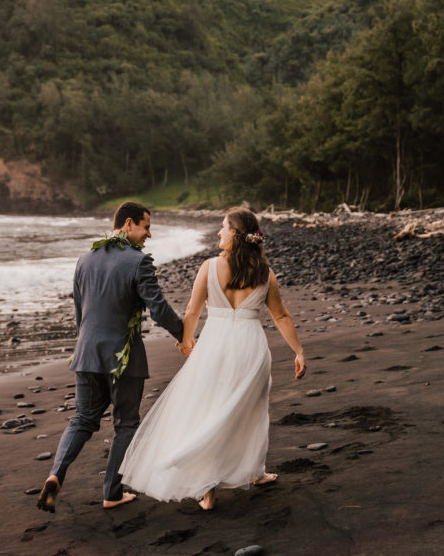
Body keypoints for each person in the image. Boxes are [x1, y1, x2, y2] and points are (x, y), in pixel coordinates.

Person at [118, 206, 306, 511]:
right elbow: (281, 315)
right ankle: (254, 472)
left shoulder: (208, 267)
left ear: (235, 234)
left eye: (223, 227)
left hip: (215, 346)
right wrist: (298, 351)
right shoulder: (265, 273)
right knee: (251, 410)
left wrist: (186, 340)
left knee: (209, 408)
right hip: (250, 347)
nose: (219, 232)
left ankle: (207, 488)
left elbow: (192, 311)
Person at [36, 201, 187, 512]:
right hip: (124, 358)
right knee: (126, 423)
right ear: (128, 224)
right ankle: (112, 492)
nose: (148, 235)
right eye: (146, 227)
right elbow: (158, 310)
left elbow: (80, 311)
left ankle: (55, 474)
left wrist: (87, 345)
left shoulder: (84, 259)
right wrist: (185, 337)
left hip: (87, 353)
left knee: (83, 419)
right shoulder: (138, 262)